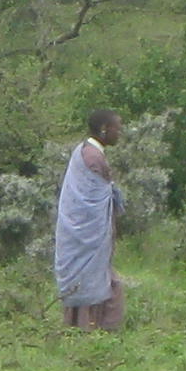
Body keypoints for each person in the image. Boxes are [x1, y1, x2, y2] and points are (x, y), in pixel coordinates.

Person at [54, 108, 126, 332]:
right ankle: (94, 332)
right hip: (86, 237)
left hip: (83, 236)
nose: (119, 133)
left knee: (100, 280)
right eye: (117, 128)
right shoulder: (93, 158)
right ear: (105, 129)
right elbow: (91, 203)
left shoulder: (85, 151)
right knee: (99, 283)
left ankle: (82, 330)